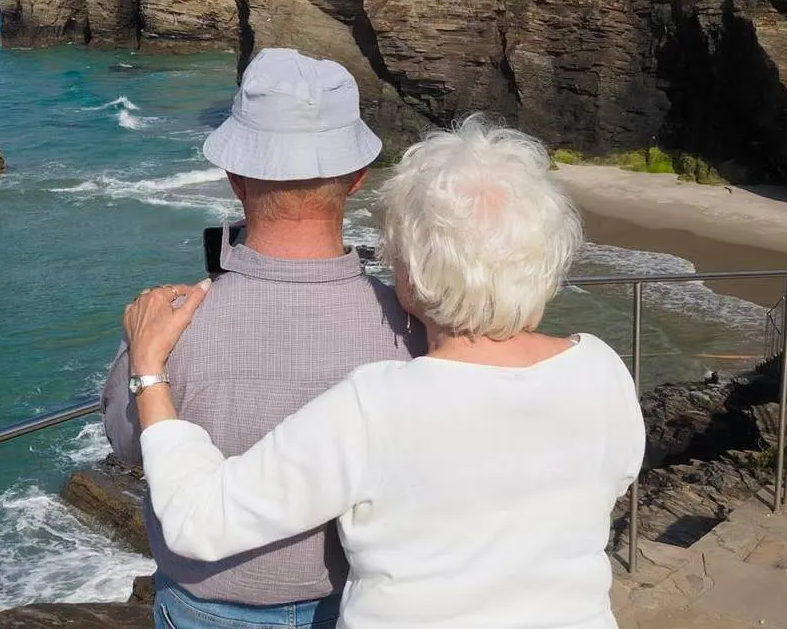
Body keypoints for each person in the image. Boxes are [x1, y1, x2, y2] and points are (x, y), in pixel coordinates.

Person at [122, 115, 647, 629]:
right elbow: (613, 476)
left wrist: (148, 369)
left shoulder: (376, 404)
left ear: (413, 277)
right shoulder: (601, 368)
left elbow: (199, 523)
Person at [101, 48, 425, 628]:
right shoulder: (414, 327)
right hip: (362, 602)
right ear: (356, 178)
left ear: (234, 178)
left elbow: (130, 446)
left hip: (209, 607)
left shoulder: (170, 329)